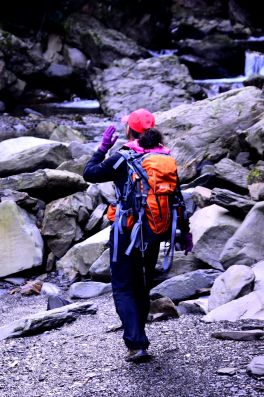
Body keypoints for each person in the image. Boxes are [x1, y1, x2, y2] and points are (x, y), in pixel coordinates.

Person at [83, 108, 193, 363]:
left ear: (130, 130)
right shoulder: (165, 158)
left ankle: (136, 344)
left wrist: (102, 147)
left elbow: (89, 173)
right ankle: (139, 337)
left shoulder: (122, 158)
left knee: (123, 286)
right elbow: (177, 197)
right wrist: (184, 233)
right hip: (154, 230)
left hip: (127, 229)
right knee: (142, 283)